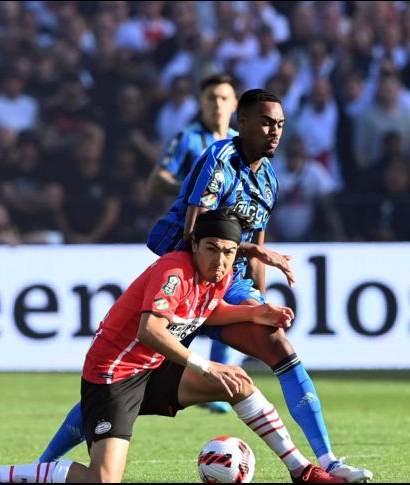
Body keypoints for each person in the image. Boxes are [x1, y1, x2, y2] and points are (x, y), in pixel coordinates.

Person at [38, 89, 373, 483]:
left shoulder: (267, 179)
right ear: (242, 121)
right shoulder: (218, 160)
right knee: (123, 381)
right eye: (266, 122)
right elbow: (193, 232)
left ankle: (325, 462)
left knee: (278, 344)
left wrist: (259, 299)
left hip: (228, 285)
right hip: (190, 281)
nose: (274, 132)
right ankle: (43, 463)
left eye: (280, 125)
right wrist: (247, 250)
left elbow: (257, 249)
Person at [0, 209, 342, 484]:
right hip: (112, 374)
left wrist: (257, 313)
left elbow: (205, 313)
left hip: (153, 369)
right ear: (194, 244)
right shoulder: (174, 271)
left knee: (239, 382)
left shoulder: (219, 275)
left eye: (228, 252)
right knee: (102, 480)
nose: (221, 259)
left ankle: (302, 470)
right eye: (212, 249)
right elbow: (150, 330)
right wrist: (205, 366)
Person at [147, 72, 239, 414]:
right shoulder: (187, 138)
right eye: (211, 97)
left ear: (233, 104)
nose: (217, 104)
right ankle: (159, 379)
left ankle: (216, 386)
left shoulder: (238, 144)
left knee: (226, 311)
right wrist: (193, 188)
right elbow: (156, 180)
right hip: (190, 246)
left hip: (227, 244)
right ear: (201, 102)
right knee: (179, 317)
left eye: (223, 98)